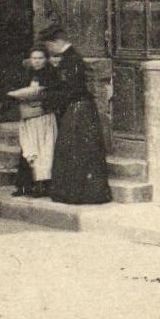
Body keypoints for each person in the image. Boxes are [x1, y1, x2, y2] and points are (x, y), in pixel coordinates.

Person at [42, 25, 111, 204]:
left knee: (77, 151)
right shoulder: (68, 58)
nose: (49, 50)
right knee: (73, 150)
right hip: (77, 108)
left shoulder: (72, 60)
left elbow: (72, 89)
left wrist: (49, 97)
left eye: (49, 45)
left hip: (79, 109)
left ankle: (80, 194)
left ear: (57, 42)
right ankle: (74, 193)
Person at [6, 42, 57, 197]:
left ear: (46, 59)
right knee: (28, 151)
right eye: (34, 58)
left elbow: (42, 93)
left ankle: (42, 186)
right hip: (29, 118)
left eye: (40, 58)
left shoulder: (51, 74)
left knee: (44, 152)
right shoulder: (27, 73)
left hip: (43, 118)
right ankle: (24, 186)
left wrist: (25, 95)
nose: (37, 61)